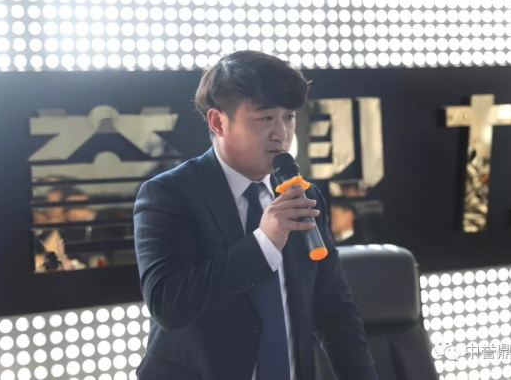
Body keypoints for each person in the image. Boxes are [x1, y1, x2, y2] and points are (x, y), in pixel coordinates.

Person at [134, 51, 377, 380]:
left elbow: (335, 311)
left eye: (288, 117)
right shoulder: (168, 194)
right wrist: (264, 243)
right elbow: (169, 305)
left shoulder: (303, 196)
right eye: (265, 118)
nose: (281, 133)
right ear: (218, 122)